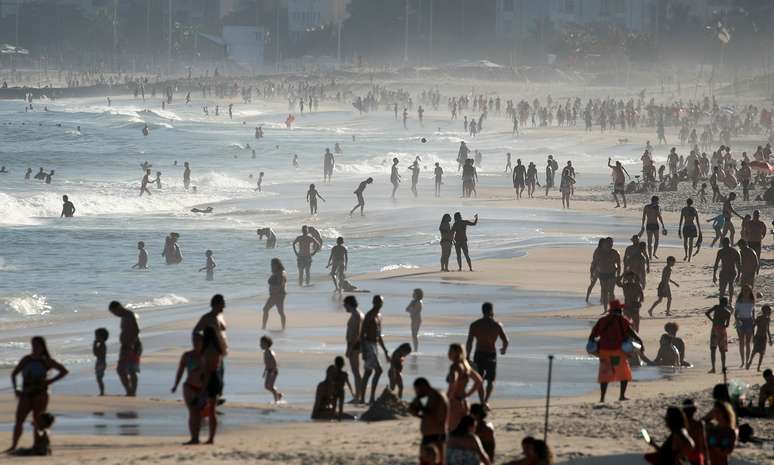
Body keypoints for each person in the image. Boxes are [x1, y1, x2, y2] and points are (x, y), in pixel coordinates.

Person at [7, 337, 68, 452]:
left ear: (42, 347)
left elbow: (64, 371)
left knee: (38, 421)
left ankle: (38, 445)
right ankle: (13, 445)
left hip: (41, 394)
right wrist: (16, 389)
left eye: (37, 346)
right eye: (33, 345)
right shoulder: (26, 359)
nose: (34, 348)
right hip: (26, 393)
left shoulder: (46, 360)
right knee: (19, 420)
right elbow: (14, 374)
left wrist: (50, 381)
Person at [588, 299, 643, 402]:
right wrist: (641, 343)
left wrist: (593, 347)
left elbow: (592, 335)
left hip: (604, 352)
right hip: (618, 352)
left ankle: (602, 398)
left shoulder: (602, 321)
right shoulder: (623, 320)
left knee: (605, 375)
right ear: (619, 310)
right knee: (623, 373)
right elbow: (632, 334)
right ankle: (622, 396)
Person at [466, 302, 508, 406]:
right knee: (491, 380)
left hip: (479, 354)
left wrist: (467, 356)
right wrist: (503, 349)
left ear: (482, 311)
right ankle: (486, 401)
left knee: (479, 379)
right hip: (491, 354)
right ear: (492, 311)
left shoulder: (475, 325)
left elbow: (469, 342)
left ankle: (481, 402)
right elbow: (506, 341)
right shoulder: (497, 325)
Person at [171, 331, 205, 445]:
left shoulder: (206, 356)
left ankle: (197, 437)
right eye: (193, 340)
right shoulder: (187, 355)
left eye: (197, 340)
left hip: (203, 389)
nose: (195, 342)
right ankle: (194, 438)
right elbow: (180, 371)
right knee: (192, 412)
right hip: (189, 387)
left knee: (199, 413)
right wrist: (175, 385)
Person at [409, 377, 448, 465]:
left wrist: (421, 407)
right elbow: (415, 411)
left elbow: (437, 417)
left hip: (437, 435)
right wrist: (417, 408)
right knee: (424, 461)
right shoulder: (427, 397)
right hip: (428, 435)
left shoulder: (437, 396)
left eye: (418, 391)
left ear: (424, 387)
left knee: (438, 462)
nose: (417, 393)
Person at [446, 343, 484, 430]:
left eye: (451, 352)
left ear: (457, 353)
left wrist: (447, 400)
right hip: (464, 402)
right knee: (463, 431)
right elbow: (479, 381)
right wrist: (468, 394)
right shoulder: (466, 365)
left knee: (452, 431)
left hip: (454, 402)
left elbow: (453, 384)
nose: (448, 354)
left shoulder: (454, 367)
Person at [361, 295, 390, 404]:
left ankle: (367, 398)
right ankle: (366, 398)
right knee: (377, 370)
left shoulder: (379, 316)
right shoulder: (369, 316)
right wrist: (363, 351)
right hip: (368, 345)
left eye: (381, 302)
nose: (379, 304)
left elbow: (379, 335)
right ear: (373, 302)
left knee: (368, 372)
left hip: (375, 345)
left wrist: (385, 351)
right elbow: (362, 334)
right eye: (377, 302)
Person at [108, 301, 141, 396]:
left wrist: (131, 344)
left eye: (115, 312)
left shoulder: (129, 315)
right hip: (127, 346)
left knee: (126, 370)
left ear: (119, 308)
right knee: (127, 370)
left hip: (131, 346)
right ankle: (130, 391)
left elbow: (136, 329)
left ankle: (131, 391)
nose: (115, 315)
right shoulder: (125, 316)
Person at [200, 327, 223, 444]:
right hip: (217, 377)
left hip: (211, 378)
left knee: (207, 409)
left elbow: (208, 369)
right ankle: (210, 437)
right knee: (211, 410)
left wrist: (203, 387)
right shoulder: (218, 349)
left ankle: (209, 438)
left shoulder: (209, 349)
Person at [343, 296, 364, 403]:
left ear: (349, 304)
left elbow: (356, 333)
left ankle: (358, 396)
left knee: (356, 371)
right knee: (356, 371)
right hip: (355, 345)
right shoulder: (356, 314)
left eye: (344, 304)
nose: (344, 307)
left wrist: (349, 348)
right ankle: (358, 395)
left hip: (355, 345)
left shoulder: (356, 315)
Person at [705, 297, 732, 374]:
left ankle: (713, 368)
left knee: (713, 349)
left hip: (714, 329)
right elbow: (727, 325)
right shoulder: (728, 312)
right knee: (722, 351)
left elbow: (707, 313)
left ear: (720, 302)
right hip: (722, 330)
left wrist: (712, 320)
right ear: (726, 304)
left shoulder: (716, 307)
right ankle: (723, 368)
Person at [705, 401, 737, 465]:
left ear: (724, 413)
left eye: (718, 412)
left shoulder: (730, 432)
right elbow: (698, 425)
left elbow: (727, 451)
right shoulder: (712, 428)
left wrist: (715, 447)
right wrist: (708, 417)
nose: (715, 414)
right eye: (714, 412)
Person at [713, 238, 741, 303]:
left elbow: (739, 265)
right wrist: (714, 275)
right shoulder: (734, 251)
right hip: (728, 271)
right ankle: (726, 301)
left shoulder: (722, 251)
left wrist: (714, 275)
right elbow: (739, 265)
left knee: (726, 288)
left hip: (728, 271)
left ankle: (729, 301)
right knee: (725, 288)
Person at [262, 258, 287, 330]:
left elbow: (280, 284)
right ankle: (283, 327)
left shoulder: (280, 273)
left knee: (265, 309)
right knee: (280, 312)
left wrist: (275, 294)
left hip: (277, 295)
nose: (271, 265)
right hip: (278, 295)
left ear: (277, 264)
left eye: (273, 264)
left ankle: (263, 327)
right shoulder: (278, 272)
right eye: (271, 264)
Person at [734, 285, 756, 368]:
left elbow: (753, 312)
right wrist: (737, 320)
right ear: (742, 291)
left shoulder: (752, 300)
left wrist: (754, 321)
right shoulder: (739, 301)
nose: (746, 292)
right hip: (740, 321)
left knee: (748, 342)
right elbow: (735, 314)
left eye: (748, 290)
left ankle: (747, 361)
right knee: (741, 342)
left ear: (750, 291)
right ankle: (742, 361)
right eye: (744, 290)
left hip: (749, 321)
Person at [682, 399, 709, 465]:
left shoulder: (680, 425)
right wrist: (707, 459)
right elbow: (703, 444)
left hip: (684, 456)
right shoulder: (699, 425)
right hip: (696, 457)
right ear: (695, 410)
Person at [747, 305, 772, 371]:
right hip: (758, 337)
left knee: (762, 353)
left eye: (769, 310)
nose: (769, 311)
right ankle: (750, 362)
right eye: (768, 310)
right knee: (754, 351)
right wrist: (753, 336)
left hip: (764, 338)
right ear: (764, 311)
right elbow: (753, 327)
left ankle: (758, 367)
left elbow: (768, 329)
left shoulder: (768, 319)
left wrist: (770, 339)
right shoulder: (759, 318)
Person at [260, 335, 283, 403]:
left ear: (266, 344)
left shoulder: (270, 352)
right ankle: (278, 395)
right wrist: (265, 371)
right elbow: (267, 363)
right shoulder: (265, 352)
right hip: (269, 371)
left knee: (270, 386)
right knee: (267, 386)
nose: (260, 345)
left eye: (262, 344)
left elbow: (274, 362)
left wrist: (273, 370)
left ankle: (276, 400)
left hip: (273, 371)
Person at [93, 328, 108, 396]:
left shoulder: (102, 345)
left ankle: (102, 392)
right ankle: (101, 391)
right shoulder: (102, 344)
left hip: (101, 363)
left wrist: (94, 345)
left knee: (99, 378)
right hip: (100, 362)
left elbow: (96, 354)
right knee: (99, 378)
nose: (95, 337)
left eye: (96, 336)